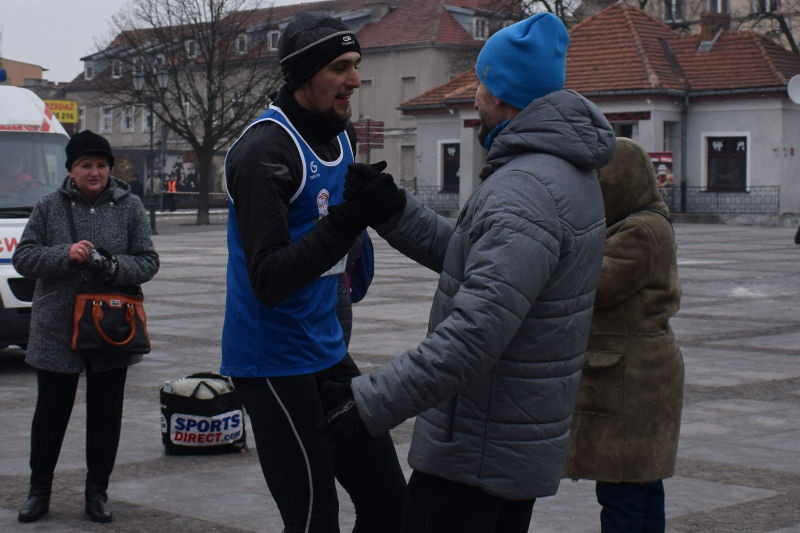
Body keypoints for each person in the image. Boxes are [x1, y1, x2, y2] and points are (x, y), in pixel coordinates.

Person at [320, 13, 616, 533]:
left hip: (478, 451)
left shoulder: (525, 190)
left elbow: (472, 338)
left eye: (482, 81)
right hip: (503, 442)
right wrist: (392, 209)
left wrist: (364, 405)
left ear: (501, 94)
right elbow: (478, 263)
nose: (475, 92)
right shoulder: (556, 171)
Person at [220, 12, 407, 532]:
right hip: (272, 361)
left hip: (325, 351)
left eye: (356, 65)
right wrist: (351, 219)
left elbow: (337, 231)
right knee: (312, 516)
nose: (355, 79)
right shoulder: (264, 151)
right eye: (341, 67)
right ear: (305, 75)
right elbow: (270, 279)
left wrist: (368, 224)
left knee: (391, 499)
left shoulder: (338, 135)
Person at [12, 130, 159, 524]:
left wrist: (111, 266)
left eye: (100, 164)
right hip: (57, 328)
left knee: (105, 414)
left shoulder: (130, 207)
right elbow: (24, 258)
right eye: (85, 165)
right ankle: (38, 491)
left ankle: (98, 492)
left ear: (110, 168)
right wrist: (67, 255)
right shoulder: (48, 206)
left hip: (112, 327)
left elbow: (147, 262)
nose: (94, 172)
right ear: (71, 171)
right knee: (50, 415)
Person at [563, 137, 684, 532]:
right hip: (638, 376)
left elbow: (594, 283)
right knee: (640, 483)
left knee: (623, 492)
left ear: (620, 180)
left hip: (633, 381)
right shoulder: (640, 223)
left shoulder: (641, 231)